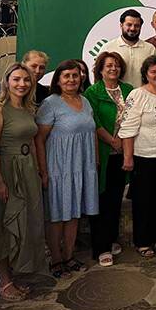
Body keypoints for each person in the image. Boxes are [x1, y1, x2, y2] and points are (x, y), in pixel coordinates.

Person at [0, 63, 46, 301]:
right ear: (7, 82)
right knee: (4, 223)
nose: (22, 84)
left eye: (26, 80)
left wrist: (38, 171)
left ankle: (14, 272)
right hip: (8, 170)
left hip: (27, 170)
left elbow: (32, 142)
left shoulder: (29, 109)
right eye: (17, 79)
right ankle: (4, 280)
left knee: (25, 221)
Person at [35, 60, 99, 279]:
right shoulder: (50, 103)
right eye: (67, 76)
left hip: (82, 166)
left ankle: (69, 256)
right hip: (59, 167)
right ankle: (56, 259)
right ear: (58, 80)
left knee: (74, 213)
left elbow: (92, 132)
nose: (71, 79)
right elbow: (39, 140)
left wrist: (95, 161)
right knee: (56, 215)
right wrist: (44, 171)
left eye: (75, 75)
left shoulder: (85, 101)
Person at [118, 55, 156, 257]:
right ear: (146, 74)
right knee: (144, 200)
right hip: (144, 157)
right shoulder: (137, 95)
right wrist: (128, 158)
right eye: (153, 72)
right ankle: (143, 241)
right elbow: (127, 128)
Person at [83, 52, 133, 267]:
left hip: (123, 153)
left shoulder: (128, 90)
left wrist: (123, 143)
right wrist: (112, 141)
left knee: (115, 199)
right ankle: (100, 247)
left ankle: (111, 239)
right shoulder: (92, 92)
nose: (113, 68)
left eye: (117, 65)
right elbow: (93, 121)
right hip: (102, 153)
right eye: (109, 65)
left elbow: (133, 118)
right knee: (100, 200)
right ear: (100, 69)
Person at [101, 9, 156, 88]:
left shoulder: (150, 49)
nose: (132, 28)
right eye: (129, 25)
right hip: (115, 94)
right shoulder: (108, 48)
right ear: (121, 25)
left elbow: (155, 75)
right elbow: (99, 76)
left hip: (143, 94)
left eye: (136, 26)